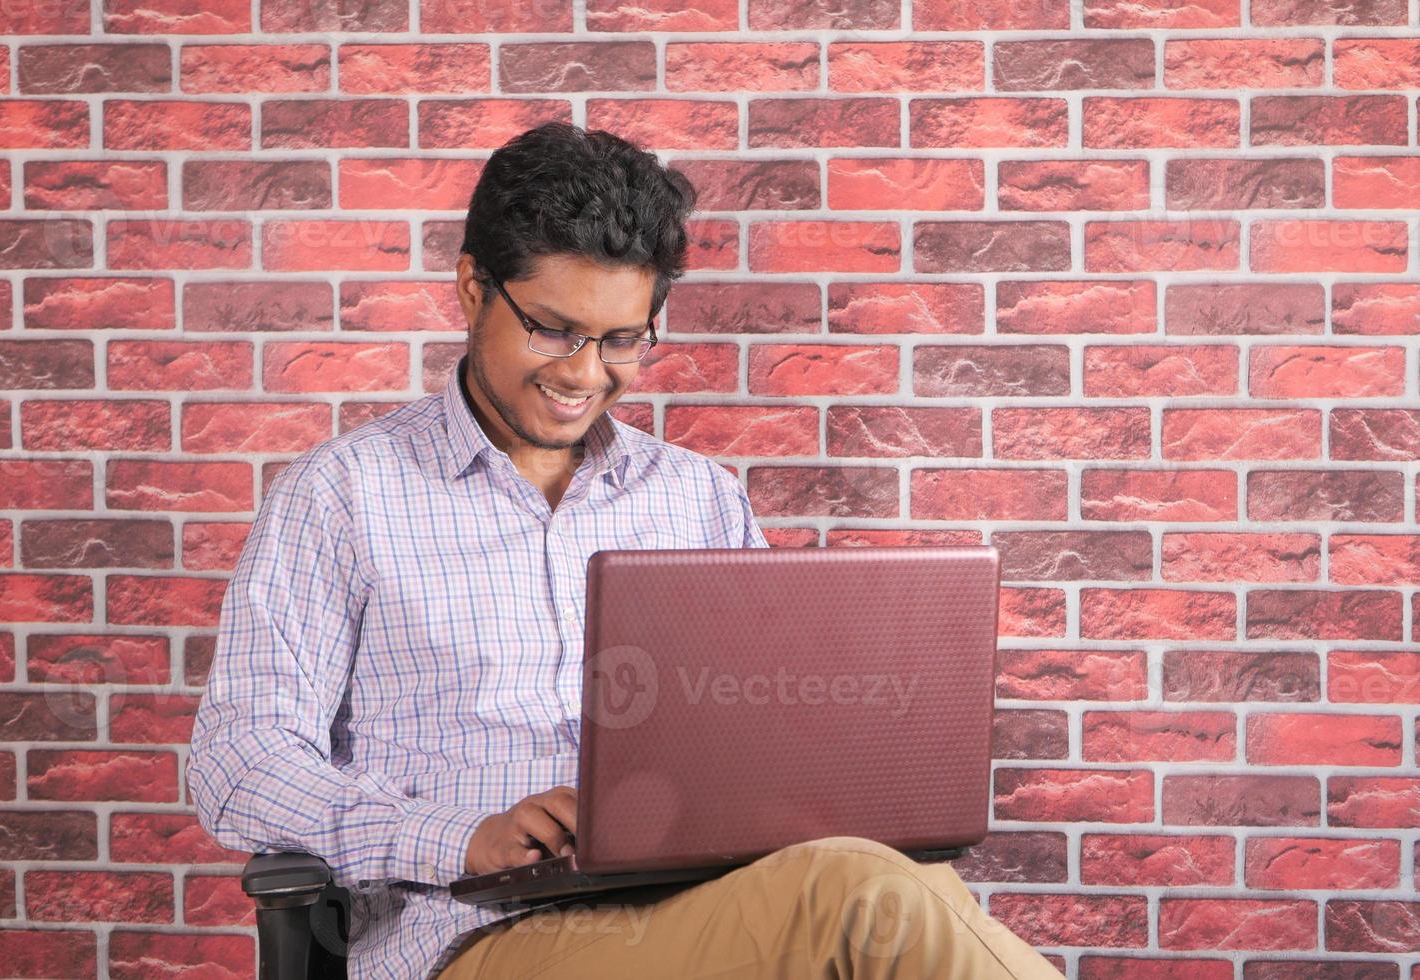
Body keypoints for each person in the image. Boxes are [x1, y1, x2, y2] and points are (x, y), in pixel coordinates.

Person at [188, 122, 1063, 979]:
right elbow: (241, 763)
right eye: (552, 329)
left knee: (904, 879)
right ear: (471, 288)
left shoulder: (696, 497)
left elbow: (768, 732)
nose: (582, 374)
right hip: (473, 932)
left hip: (694, 900)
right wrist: (462, 834)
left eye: (620, 341)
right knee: (865, 899)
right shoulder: (343, 494)